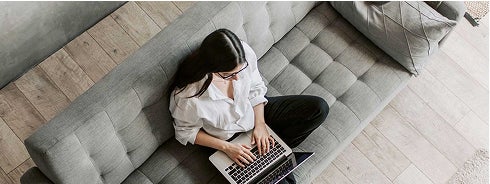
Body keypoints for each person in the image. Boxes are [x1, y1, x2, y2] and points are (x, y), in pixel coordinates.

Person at [168, 28, 329, 183]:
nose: (237, 79)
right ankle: (269, 155)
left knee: (319, 108)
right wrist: (227, 148)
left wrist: (261, 124)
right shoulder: (187, 97)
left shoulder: (243, 53)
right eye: (229, 75)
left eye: (240, 71)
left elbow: (255, 88)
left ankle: (272, 149)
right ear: (211, 68)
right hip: (228, 139)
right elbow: (185, 132)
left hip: (255, 112)